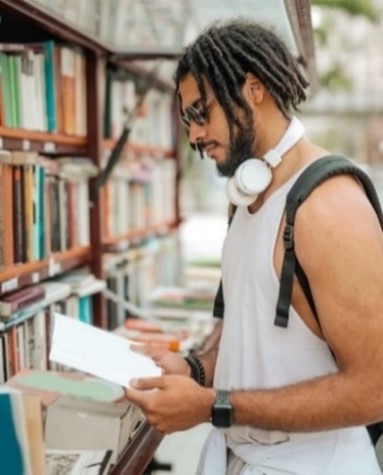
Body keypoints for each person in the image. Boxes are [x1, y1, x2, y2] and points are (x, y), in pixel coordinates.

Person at [126, 19, 383, 474]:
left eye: (200, 113)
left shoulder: (328, 207)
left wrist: (212, 406)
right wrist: (194, 370)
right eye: (187, 119)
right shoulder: (246, 201)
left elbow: (376, 389)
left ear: (253, 89)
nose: (194, 135)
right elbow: (249, 341)